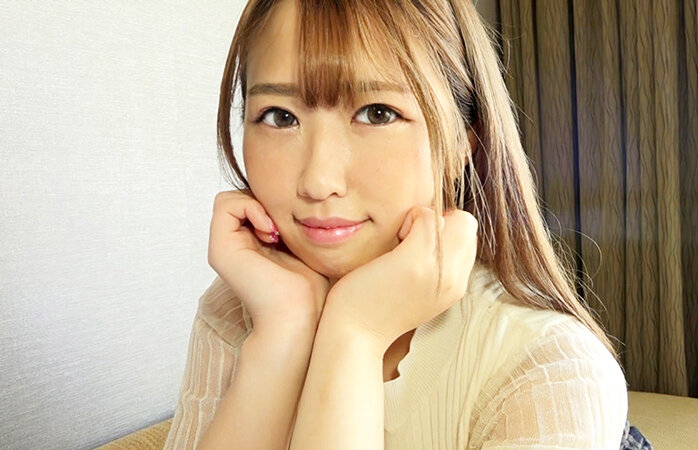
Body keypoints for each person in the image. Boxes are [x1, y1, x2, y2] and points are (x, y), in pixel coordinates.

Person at [164, 0, 629, 448]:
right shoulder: (243, 307)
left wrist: (356, 332)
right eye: (280, 117)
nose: (318, 181)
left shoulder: (550, 369)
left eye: (377, 113)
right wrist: (282, 333)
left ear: (463, 140)